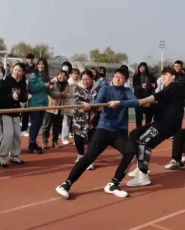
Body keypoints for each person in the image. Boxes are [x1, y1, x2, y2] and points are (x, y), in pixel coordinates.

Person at [55, 68, 139, 200]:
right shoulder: (106, 89)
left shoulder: (127, 91)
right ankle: (66, 184)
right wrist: (90, 105)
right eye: (116, 76)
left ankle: (114, 184)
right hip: (105, 128)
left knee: (131, 151)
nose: (117, 79)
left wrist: (120, 103)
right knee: (90, 155)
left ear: (126, 80)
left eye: (121, 77)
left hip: (120, 132)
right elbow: (98, 101)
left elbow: (135, 102)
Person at [129, 67, 185, 187]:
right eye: (162, 74)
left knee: (143, 141)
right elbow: (159, 107)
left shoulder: (175, 86)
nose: (163, 76)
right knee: (135, 134)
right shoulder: (168, 90)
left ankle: (143, 175)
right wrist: (148, 106)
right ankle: (141, 166)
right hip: (161, 122)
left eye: (166, 74)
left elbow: (159, 95)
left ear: (173, 76)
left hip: (169, 123)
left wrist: (141, 101)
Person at [0, 63, 28, 168]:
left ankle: (14, 156)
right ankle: (2, 157)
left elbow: (23, 96)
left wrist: (25, 96)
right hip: (4, 112)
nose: (16, 72)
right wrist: (11, 96)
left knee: (17, 135)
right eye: (15, 70)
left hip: (16, 112)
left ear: (23, 72)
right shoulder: (6, 82)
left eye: (19, 70)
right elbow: (0, 97)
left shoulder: (23, 83)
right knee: (7, 135)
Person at [72, 70, 100, 170]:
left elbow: (100, 100)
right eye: (83, 79)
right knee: (78, 138)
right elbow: (77, 100)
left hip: (93, 119)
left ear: (92, 79)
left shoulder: (98, 88)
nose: (85, 81)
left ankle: (89, 160)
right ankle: (80, 155)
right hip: (80, 118)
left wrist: (92, 105)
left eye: (88, 79)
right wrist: (85, 105)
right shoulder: (78, 87)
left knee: (92, 140)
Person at [28, 58, 54, 154]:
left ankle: (33, 143)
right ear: (37, 65)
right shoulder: (33, 75)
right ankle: (31, 144)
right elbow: (31, 88)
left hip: (43, 103)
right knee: (35, 124)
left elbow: (48, 91)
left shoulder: (46, 77)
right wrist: (44, 85)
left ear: (45, 66)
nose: (41, 66)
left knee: (39, 124)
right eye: (39, 64)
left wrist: (51, 88)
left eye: (43, 64)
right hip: (35, 103)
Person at [42, 71, 68, 149]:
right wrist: (61, 94)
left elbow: (70, 94)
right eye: (61, 75)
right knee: (46, 126)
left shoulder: (67, 84)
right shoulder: (52, 82)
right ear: (57, 75)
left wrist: (65, 95)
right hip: (50, 108)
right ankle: (44, 142)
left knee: (57, 126)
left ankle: (55, 141)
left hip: (60, 108)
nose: (62, 77)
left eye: (64, 76)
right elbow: (51, 93)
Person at [133, 62, 157, 128]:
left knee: (148, 117)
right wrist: (141, 86)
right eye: (140, 67)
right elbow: (135, 86)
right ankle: (139, 130)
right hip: (139, 99)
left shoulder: (150, 76)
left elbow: (154, 85)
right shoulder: (136, 76)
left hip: (148, 99)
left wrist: (155, 85)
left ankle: (146, 130)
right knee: (139, 117)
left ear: (146, 68)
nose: (142, 68)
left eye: (143, 67)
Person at [62, 69, 80, 145]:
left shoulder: (80, 82)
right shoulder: (68, 82)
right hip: (68, 104)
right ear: (71, 74)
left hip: (77, 105)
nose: (75, 75)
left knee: (77, 123)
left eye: (77, 74)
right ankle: (65, 138)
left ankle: (76, 139)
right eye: (74, 74)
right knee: (66, 122)